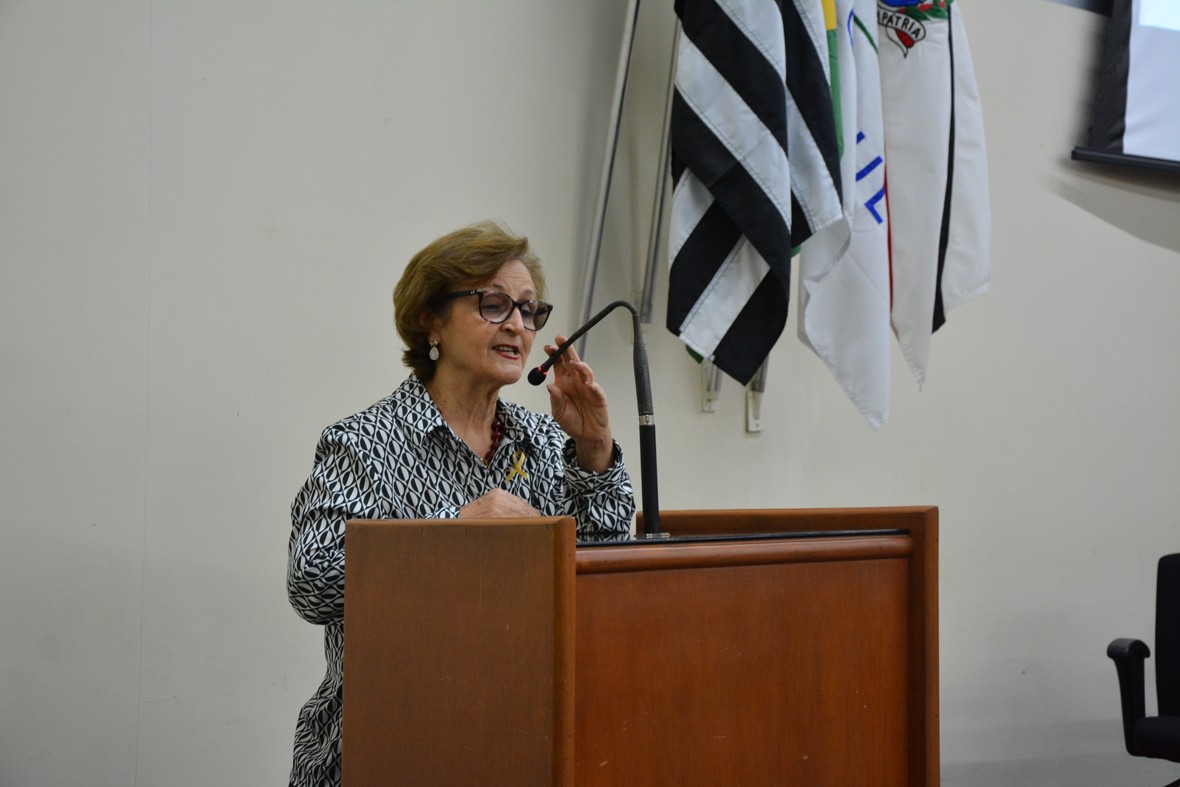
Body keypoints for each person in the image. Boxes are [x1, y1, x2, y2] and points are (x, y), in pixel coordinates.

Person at [285, 221, 636, 786]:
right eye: (493, 305)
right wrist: (450, 532)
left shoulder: (548, 443)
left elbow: (605, 581)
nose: (518, 325)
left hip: (521, 743)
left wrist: (594, 451)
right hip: (389, 747)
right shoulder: (365, 443)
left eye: (528, 310)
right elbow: (311, 583)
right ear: (432, 320)